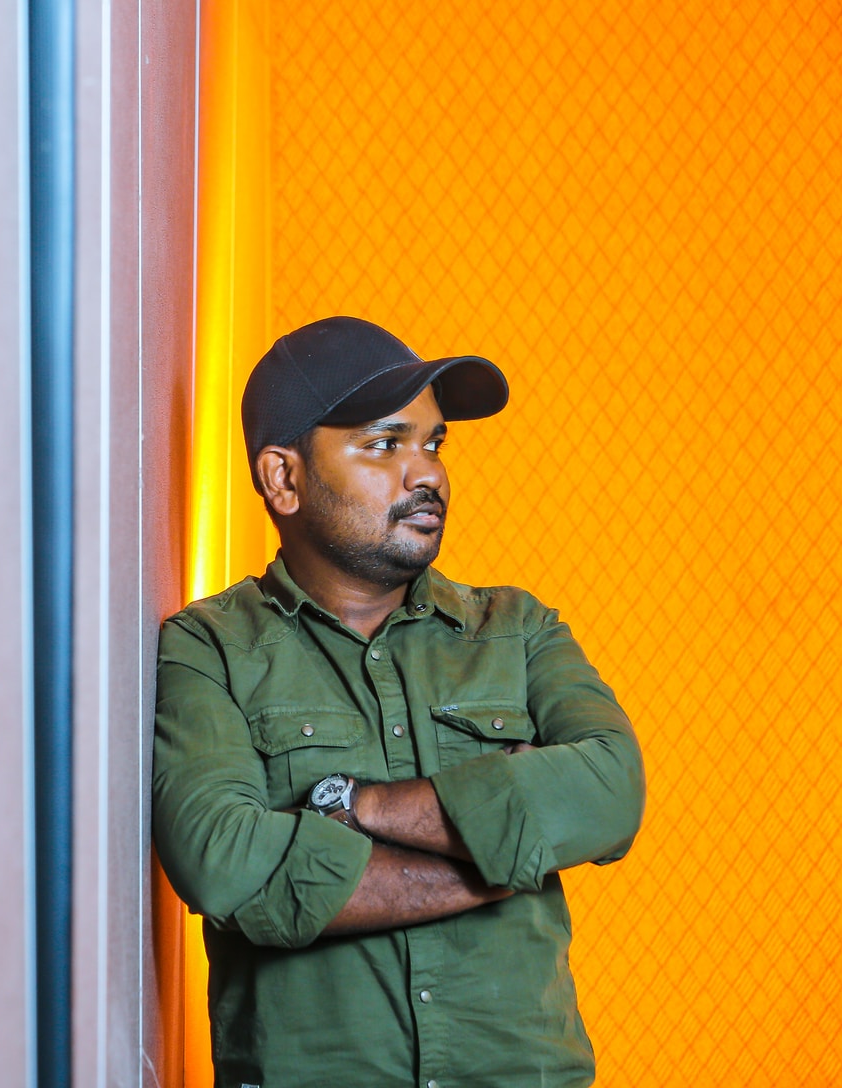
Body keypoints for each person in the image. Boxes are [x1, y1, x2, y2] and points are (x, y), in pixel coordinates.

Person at [152, 316, 646, 1088]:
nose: (428, 475)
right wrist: (507, 855)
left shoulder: (517, 630)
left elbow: (612, 791)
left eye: (435, 444)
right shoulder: (207, 647)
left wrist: (356, 807)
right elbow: (227, 864)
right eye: (385, 444)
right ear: (282, 478)